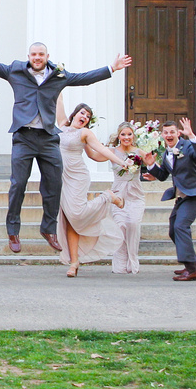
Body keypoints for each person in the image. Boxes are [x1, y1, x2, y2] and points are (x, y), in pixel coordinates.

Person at [0, 20, 132, 253]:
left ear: (47, 55)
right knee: (18, 184)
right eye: (33, 54)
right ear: (29, 55)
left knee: (53, 183)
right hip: (23, 137)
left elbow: (83, 78)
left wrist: (111, 68)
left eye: (41, 54)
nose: (37, 57)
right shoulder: (16, 71)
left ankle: (48, 229)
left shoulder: (58, 75)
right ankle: (13, 230)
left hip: (49, 138)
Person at [55, 103, 128, 277]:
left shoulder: (85, 133)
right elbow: (58, 100)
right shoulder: (63, 125)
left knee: (76, 213)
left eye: (88, 116)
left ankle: (107, 196)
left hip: (77, 177)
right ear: (75, 114)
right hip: (61, 178)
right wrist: (55, 75)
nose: (84, 117)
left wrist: (121, 161)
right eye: (82, 113)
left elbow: (100, 150)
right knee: (69, 219)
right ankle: (73, 263)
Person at [142, 118, 196, 281]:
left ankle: (191, 270)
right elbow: (163, 176)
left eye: (172, 132)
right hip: (181, 196)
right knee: (173, 230)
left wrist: (191, 135)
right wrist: (151, 166)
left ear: (178, 133)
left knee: (181, 226)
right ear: (162, 135)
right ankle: (193, 265)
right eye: (166, 132)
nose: (169, 135)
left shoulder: (188, 146)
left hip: (195, 195)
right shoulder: (165, 153)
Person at [106, 122, 147, 274]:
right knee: (120, 225)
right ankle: (119, 264)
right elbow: (95, 155)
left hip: (135, 193)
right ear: (119, 136)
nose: (126, 137)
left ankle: (132, 262)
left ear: (133, 136)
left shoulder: (138, 151)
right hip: (118, 193)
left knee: (133, 224)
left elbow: (151, 162)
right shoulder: (112, 151)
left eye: (129, 134)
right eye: (123, 134)